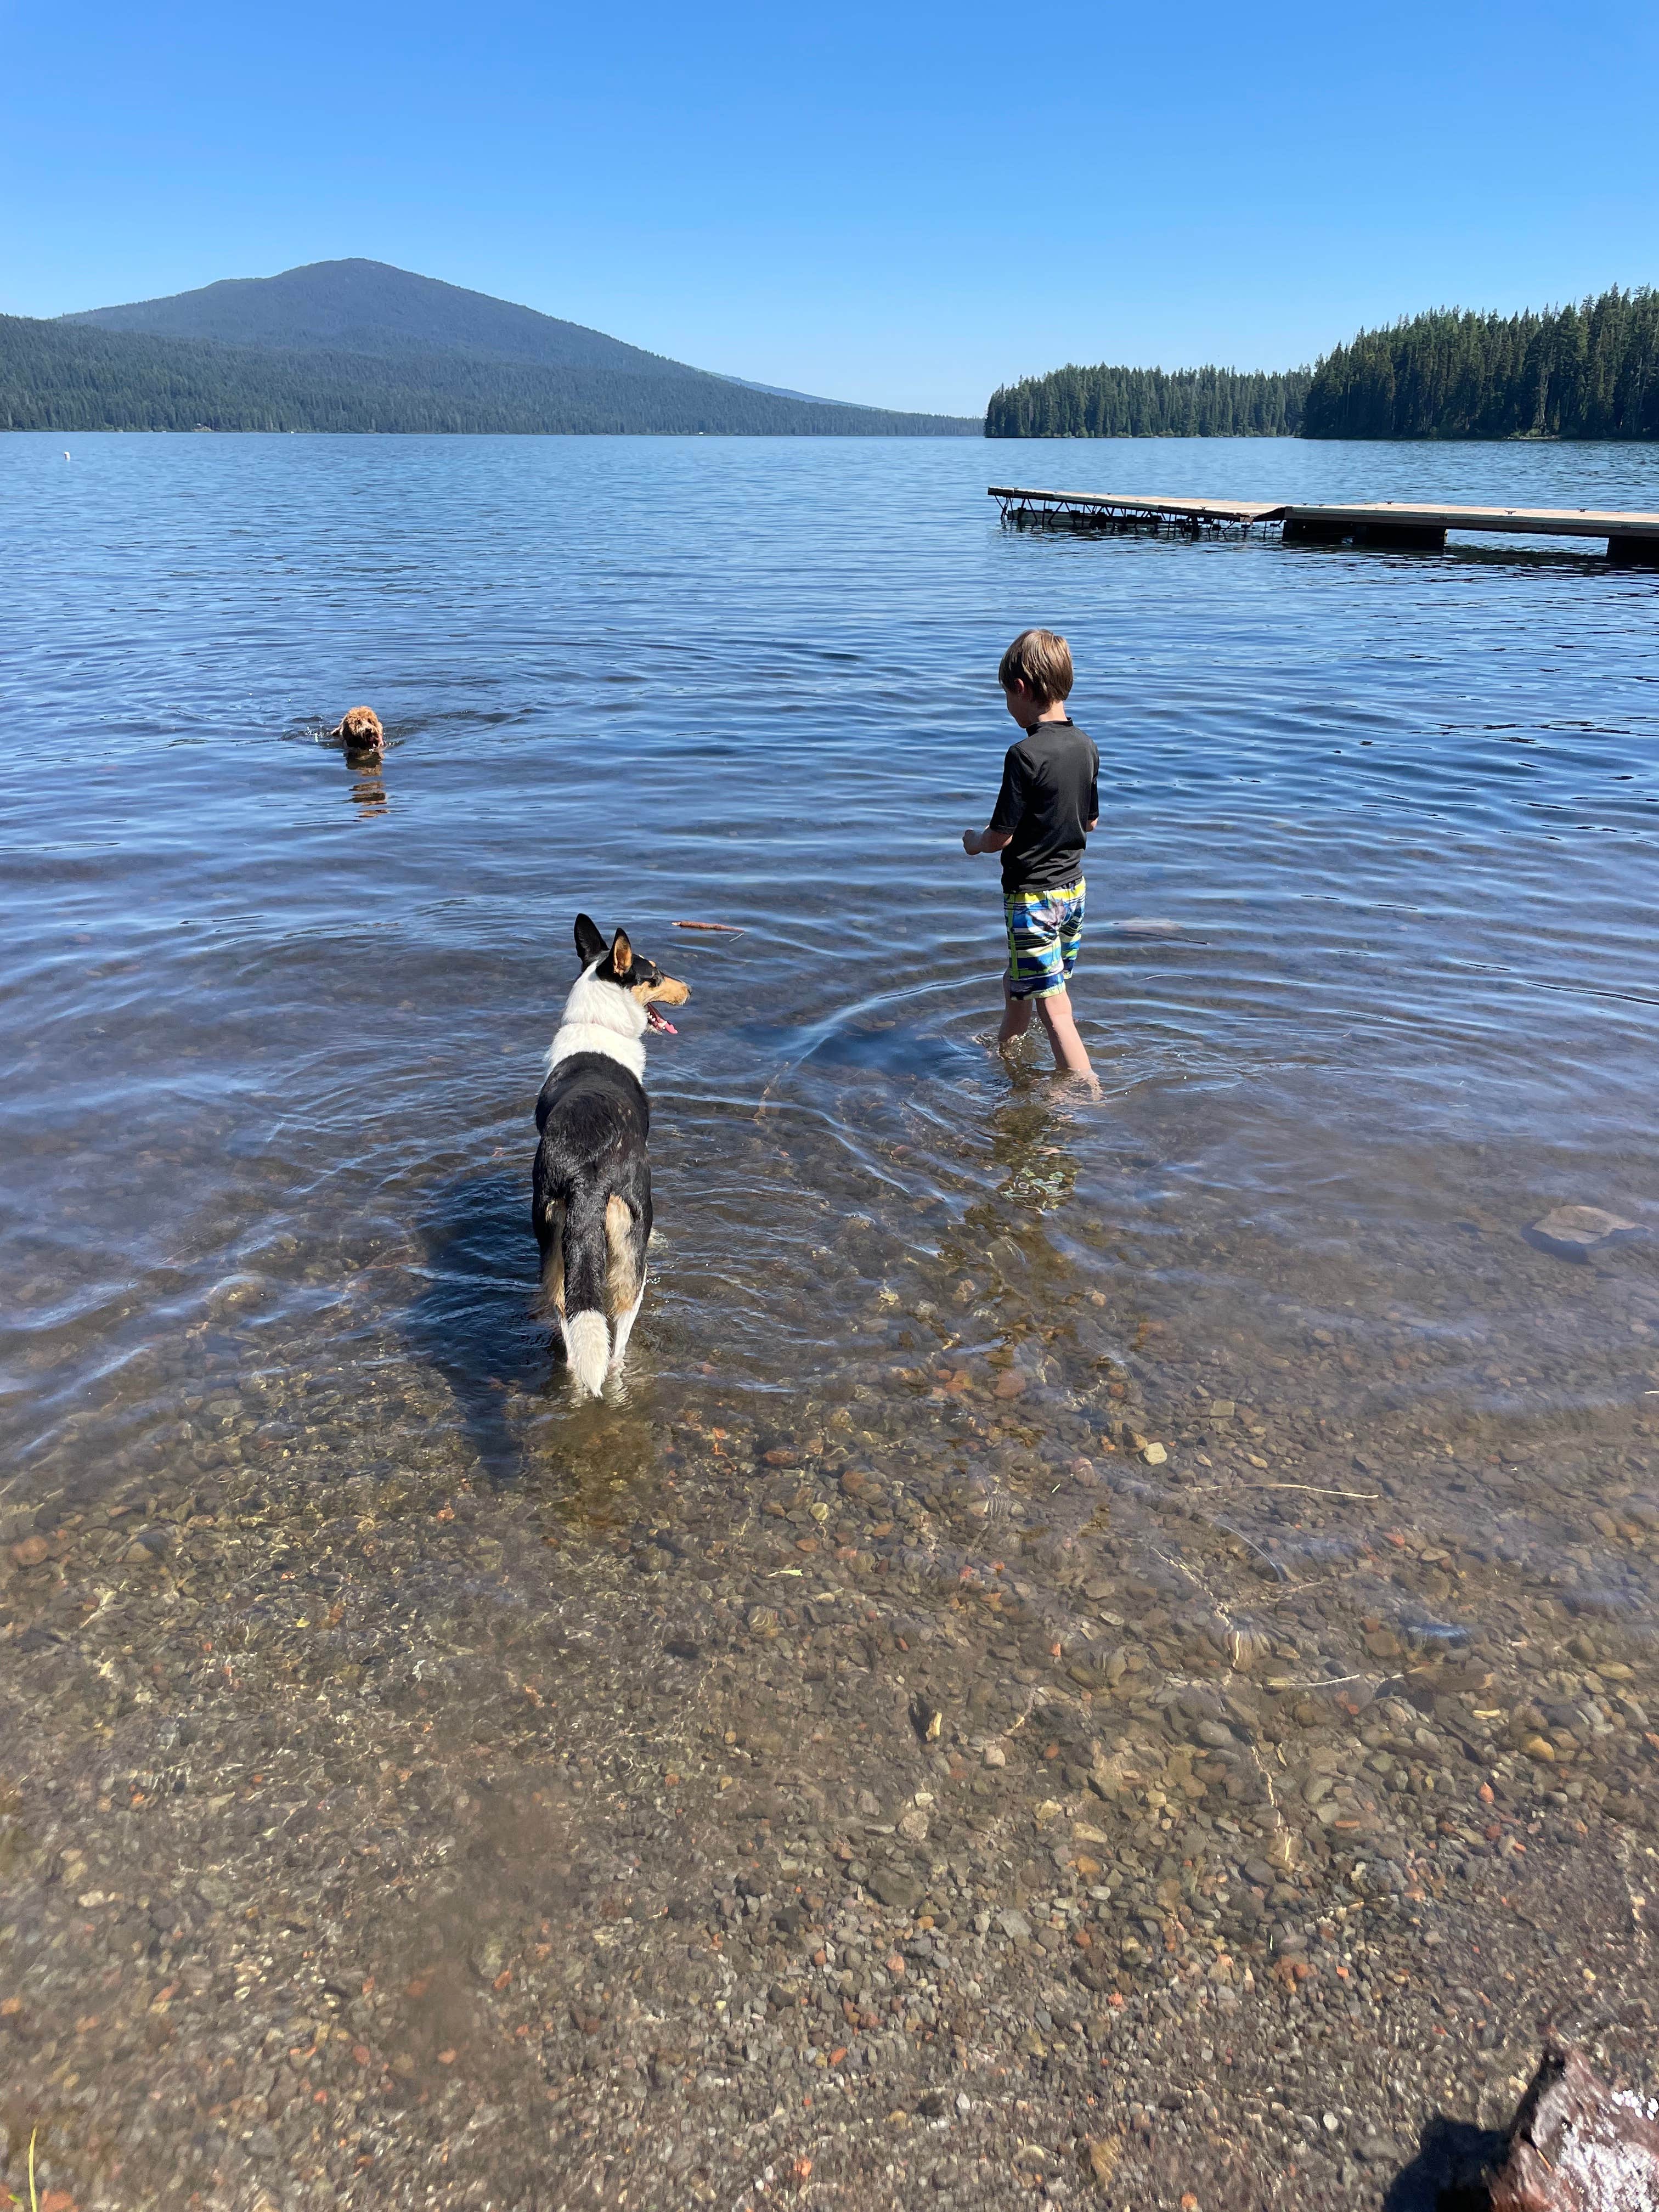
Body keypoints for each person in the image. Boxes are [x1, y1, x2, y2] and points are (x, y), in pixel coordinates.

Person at [962, 629, 1099, 1084]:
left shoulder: (1023, 754)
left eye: (1006, 695)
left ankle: (1084, 1089)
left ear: (1020, 688)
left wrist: (973, 841)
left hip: (1032, 899)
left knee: (1053, 1004)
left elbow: (1001, 836)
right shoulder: (1085, 745)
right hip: (1074, 892)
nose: (1007, 706)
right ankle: (1006, 1056)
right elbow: (1092, 822)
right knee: (1021, 984)